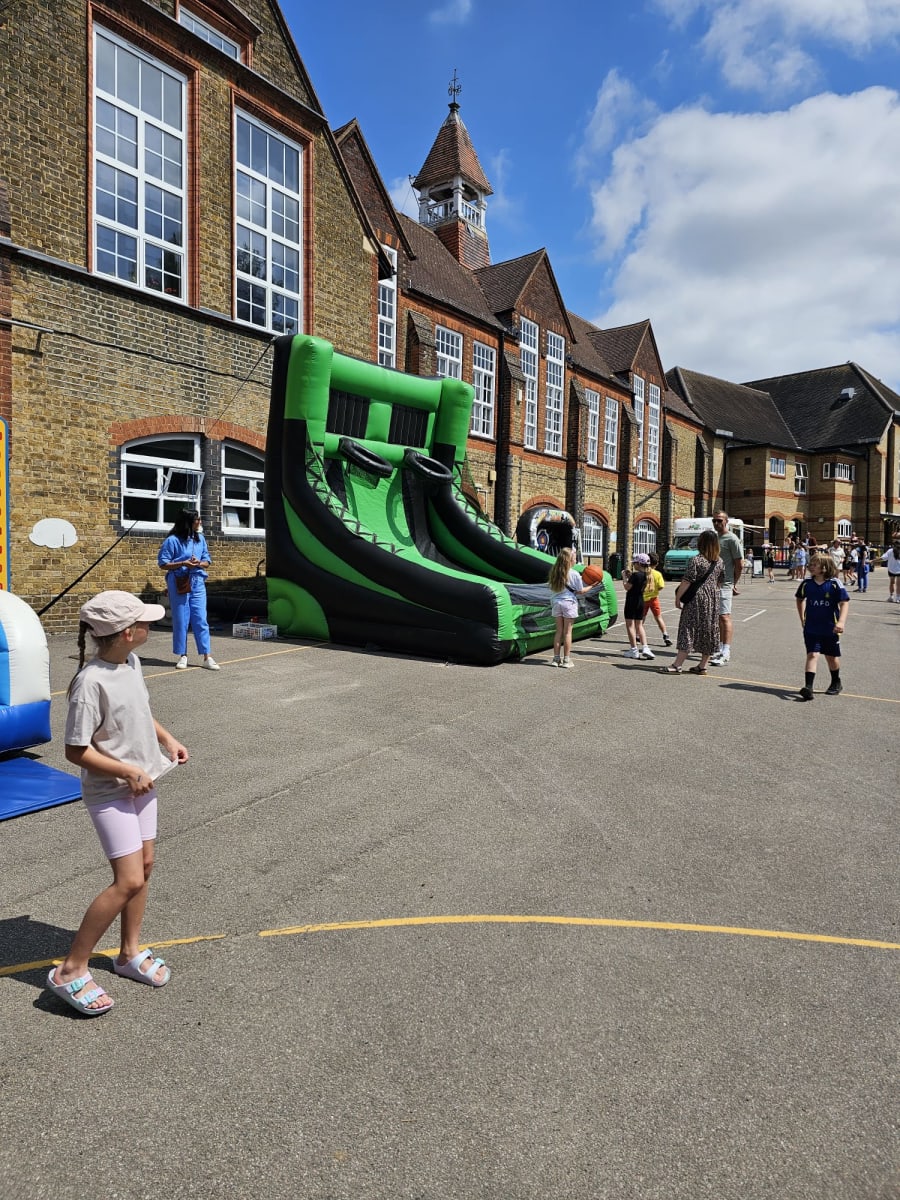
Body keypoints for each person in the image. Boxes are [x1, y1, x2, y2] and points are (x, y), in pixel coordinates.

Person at [46, 591, 189, 1015]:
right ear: (127, 633)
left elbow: (140, 711)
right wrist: (126, 771)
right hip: (111, 793)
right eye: (144, 622)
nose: (150, 626)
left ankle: (128, 953)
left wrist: (167, 739)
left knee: (145, 867)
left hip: (143, 785)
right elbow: (75, 750)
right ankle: (70, 970)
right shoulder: (90, 683)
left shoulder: (131, 662)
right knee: (127, 880)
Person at [158, 509, 219, 670]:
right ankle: (183, 655)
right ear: (187, 522)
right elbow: (163, 563)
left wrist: (198, 563)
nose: (199, 522)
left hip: (197, 582)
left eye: (199, 519)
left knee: (200, 619)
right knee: (181, 619)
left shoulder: (200, 539)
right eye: (196, 519)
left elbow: (207, 561)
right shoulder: (172, 541)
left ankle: (207, 657)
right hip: (179, 582)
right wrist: (183, 563)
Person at [657, 530, 724, 674]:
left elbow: (687, 581)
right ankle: (702, 666)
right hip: (712, 598)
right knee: (709, 629)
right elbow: (720, 582)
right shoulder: (719, 561)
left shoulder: (697, 560)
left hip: (696, 598)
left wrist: (678, 598)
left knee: (688, 628)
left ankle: (677, 665)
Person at [795, 554, 850, 700]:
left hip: (830, 628)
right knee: (812, 654)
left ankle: (836, 681)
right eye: (810, 564)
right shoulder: (806, 584)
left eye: (815, 564)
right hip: (811, 627)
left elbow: (844, 603)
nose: (810, 566)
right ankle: (808, 687)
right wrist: (802, 618)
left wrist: (841, 622)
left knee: (831, 657)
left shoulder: (834, 584)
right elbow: (799, 599)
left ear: (824, 567)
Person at [709, 511, 743, 667]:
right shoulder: (715, 538)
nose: (716, 523)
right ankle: (720, 648)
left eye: (719, 520)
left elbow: (739, 564)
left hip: (725, 584)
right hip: (712, 583)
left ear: (726, 521)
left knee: (724, 617)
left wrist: (734, 583)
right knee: (717, 618)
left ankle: (726, 651)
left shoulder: (732, 539)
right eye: (714, 521)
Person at [548, 547, 592, 668]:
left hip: (556, 602)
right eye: (575, 558)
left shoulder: (554, 572)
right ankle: (566, 660)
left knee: (558, 632)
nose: (576, 560)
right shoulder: (574, 573)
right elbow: (580, 591)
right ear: (570, 560)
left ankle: (556, 659)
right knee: (567, 633)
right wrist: (592, 585)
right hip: (569, 603)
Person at [621, 553, 654, 660]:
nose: (633, 565)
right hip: (641, 601)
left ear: (639, 564)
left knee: (630, 625)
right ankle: (645, 647)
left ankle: (634, 650)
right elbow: (636, 583)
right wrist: (630, 576)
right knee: (639, 626)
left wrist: (624, 577)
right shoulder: (647, 575)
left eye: (634, 563)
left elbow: (627, 587)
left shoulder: (636, 575)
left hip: (631, 601)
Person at [643, 552, 672, 646]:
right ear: (656, 563)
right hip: (654, 598)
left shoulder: (643, 573)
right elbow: (661, 586)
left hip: (643, 599)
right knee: (658, 617)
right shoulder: (658, 574)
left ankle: (638, 635)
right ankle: (665, 634)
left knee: (642, 618)